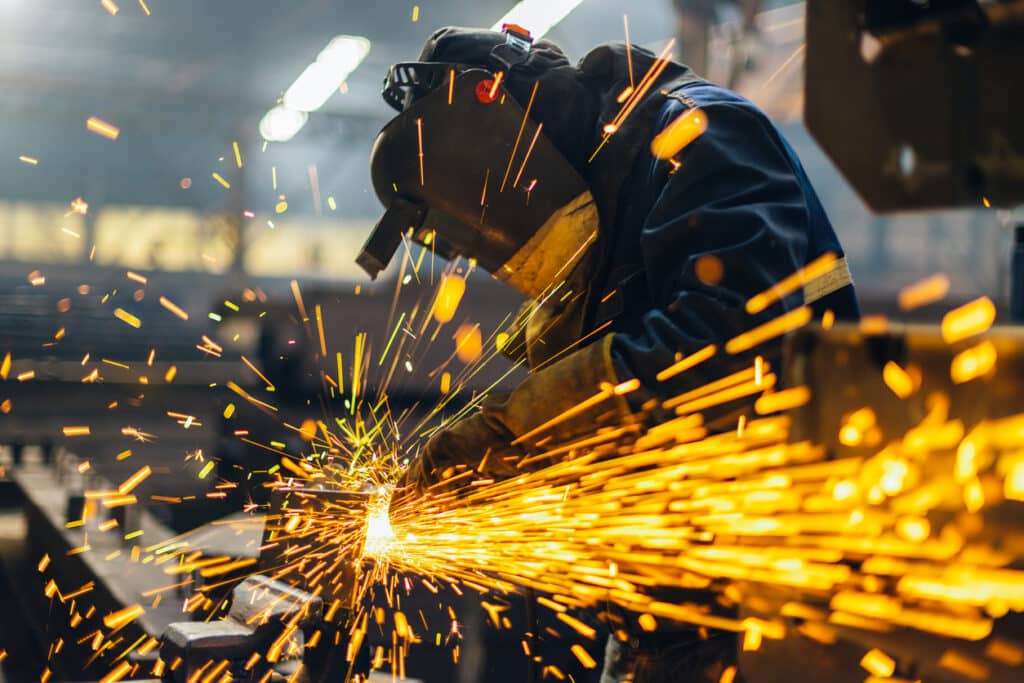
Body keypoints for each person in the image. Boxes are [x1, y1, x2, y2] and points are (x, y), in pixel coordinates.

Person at [358, 24, 859, 683]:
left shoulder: (695, 134)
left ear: (498, 128)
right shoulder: (600, 184)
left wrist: (509, 438)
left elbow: (725, 351)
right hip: (670, 598)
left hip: (773, 588)